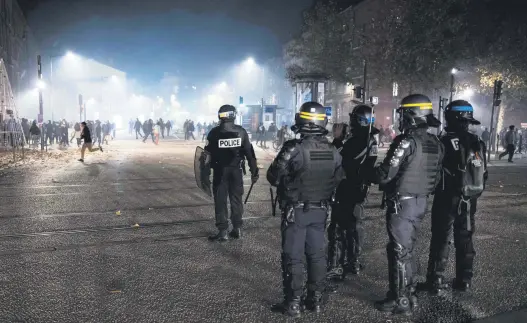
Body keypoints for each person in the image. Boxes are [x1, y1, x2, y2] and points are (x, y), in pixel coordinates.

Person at [267, 102, 344, 317]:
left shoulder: (294, 148)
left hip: (296, 211)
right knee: (318, 256)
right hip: (321, 211)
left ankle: (293, 303)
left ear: (302, 121)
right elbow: (338, 179)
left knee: (294, 256)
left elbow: (273, 177)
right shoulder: (333, 151)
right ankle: (316, 300)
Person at [371, 94, 444, 315]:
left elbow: (385, 174)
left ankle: (401, 301)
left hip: (402, 205)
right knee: (407, 250)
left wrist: (366, 172)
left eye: (402, 113)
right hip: (421, 202)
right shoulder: (436, 143)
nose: (400, 118)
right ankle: (406, 293)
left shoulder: (406, 141)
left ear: (411, 115)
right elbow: (437, 177)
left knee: (400, 251)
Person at [423, 100, 488, 296]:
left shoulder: (443, 141)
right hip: (470, 197)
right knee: (465, 238)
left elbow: (433, 171)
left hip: (447, 196)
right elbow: (484, 173)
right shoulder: (477, 141)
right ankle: (464, 280)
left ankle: (435, 279)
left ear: (450, 117)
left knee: (441, 238)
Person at [327, 105, 378, 283]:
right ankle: (353, 261)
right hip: (360, 189)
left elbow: (336, 157)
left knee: (338, 229)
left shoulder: (357, 141)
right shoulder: (370, 139)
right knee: (354, 227)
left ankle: (336, 265)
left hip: (348, 188)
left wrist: (338, 139)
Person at [205, 105, 259, 241]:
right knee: (236, 200)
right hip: (236, 171)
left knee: (220, 200)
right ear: (233, 115)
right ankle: (237, 229)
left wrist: (204, 174)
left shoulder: (214, 133)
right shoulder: (241, 132)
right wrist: (254, 172)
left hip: (220, 172)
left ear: (220, 116)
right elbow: (250, 154)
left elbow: (206, 155)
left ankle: (223, 232)